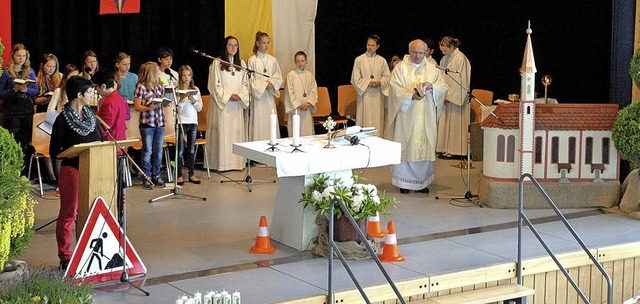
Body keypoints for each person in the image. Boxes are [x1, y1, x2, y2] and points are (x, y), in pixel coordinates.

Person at [49, 76, 103, 270]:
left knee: (88, 213)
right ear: (79, 95)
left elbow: (100, 140)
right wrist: (76, 149)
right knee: (69, 213)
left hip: (92, 169)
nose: (92, 95)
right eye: (89, 93)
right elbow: (54, 151)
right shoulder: (62, 119)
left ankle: (86, 251)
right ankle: (65, 256)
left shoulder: (92, 116)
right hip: (72, 170)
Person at [388, 39, 448, 194]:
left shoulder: (432, 69)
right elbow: (394, 90)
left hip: (426, 116)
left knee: (425, 145)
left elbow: (443, 87)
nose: (418, 56)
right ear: (410, 51)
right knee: (406, 144)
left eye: (421, 53)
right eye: (415, 52)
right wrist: (410, 97)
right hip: (407, 117)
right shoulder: (400, 68)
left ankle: (422, 183)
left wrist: (432, 87)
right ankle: (404, 182)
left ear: (426, 52)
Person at [207, 35, 249, 171]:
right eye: (230, 45)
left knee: (235, 133)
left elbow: (245, 84)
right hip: (223, 106)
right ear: (225, 47)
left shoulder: (241, 64)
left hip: (236, 105)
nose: (233, 48)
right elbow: (214, 85)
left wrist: (241, 95)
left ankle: (237, 163)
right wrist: (229, 96)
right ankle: (222, 164)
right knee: (223, 134)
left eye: (236, 45)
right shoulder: (217, 63)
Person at [0, 43, 39, 174]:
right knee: (13, 142)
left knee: (25, 143)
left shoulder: (30, 71)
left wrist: (27, 89)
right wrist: (14, 89)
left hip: (27, 110)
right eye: (18, 56)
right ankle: (11, 171)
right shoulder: (6, 72)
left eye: (23, 56)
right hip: (12, 111)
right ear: (13, 56)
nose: (21, 58)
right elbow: (1, 93)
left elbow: (36, 91)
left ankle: (24, 172)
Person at [436, 36, 471, 159]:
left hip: (455, 98)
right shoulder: (445, 59)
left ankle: (456, 150)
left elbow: (460, 80)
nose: (443, 52)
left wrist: (450, 96)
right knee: (446, 123)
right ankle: (446, 148)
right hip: (445, 96)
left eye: (444, 50)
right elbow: (440, 77)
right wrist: (441, 93)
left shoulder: (460, 59)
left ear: (452, 47)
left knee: (456, 124)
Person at [133, 62, 166, 190]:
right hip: (147, 123)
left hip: (159, 121)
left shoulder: (159, 86)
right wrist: (148, 107)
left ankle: (156, 175)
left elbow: (161, 102)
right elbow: (137, 106)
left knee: (158, 151)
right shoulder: (141, 87)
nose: (158, 73)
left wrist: (162, 103)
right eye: (156, 71)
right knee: (147, 151)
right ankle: (146, 177)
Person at [350, 34, 390, 136]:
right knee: (365, 119)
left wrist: (380, 82)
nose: (370, 47)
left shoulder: (382, 60)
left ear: (378, 46)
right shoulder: (359, 60)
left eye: (372, 45)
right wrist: (368, 83)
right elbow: (355, 79)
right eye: (368, 45)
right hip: (365, 94)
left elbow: (387, 77)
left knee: (377, 119)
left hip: (377, 95)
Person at [247, 31, 283, 141]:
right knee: (259, 122)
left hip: (269, 97)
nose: (266, 45)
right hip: (258, 98)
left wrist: (272, 83)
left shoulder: (273, 60)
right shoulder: (252, 60)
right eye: (263, 43)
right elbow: (250, 80)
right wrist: (263, 85)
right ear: (257, 43)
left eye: (268, 43)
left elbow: (278, 76)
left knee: (270, 121)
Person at [175, 65, 203, 185]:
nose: (186, 78)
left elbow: (199, 108)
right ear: (181, 77)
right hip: (182, 122)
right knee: (180, 150)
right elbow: (177, 110)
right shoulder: (177, 90)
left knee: (191, 149)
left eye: (188, 75)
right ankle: (179, 175)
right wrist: (181, 100)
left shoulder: (195, 89)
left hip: (193, 122)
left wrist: (193, 100)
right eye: (184, 75)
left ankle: (192, 174)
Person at [284, 51, 318, 136]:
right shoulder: (291, 75)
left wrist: (309, 103)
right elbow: (289, 92)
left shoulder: (310, 75)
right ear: (295, 62)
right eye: (298, 61)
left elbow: (314, 91)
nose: (300, 63)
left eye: (302, 61)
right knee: (296, 133)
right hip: (296, 110)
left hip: (307, 109)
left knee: (307, 133)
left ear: (306, 61)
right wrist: (298, 105)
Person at [93, 70, 128, 142]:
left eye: (96, 86)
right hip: (118, 139)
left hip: (111, 142)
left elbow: (105, 127)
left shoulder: (110, 102)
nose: (95, 89)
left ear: (103, 86)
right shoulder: (119, 98)